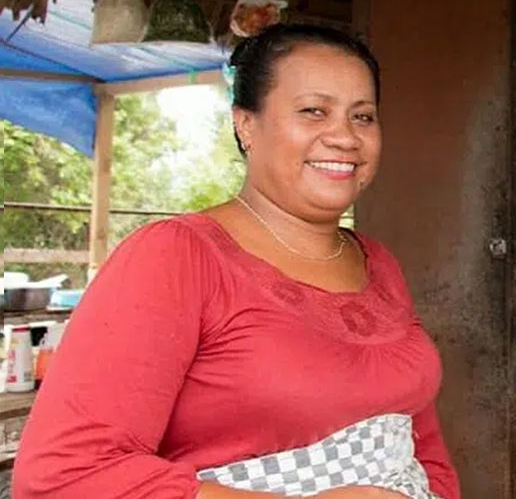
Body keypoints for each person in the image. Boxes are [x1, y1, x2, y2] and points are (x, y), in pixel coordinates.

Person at [14, 24, 459, 499]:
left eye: (363, 117)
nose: (344, 137)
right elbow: (64, 476)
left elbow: (421, 445)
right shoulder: (176, 258)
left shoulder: (379, 263)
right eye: (313, 111)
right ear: (246, 123)